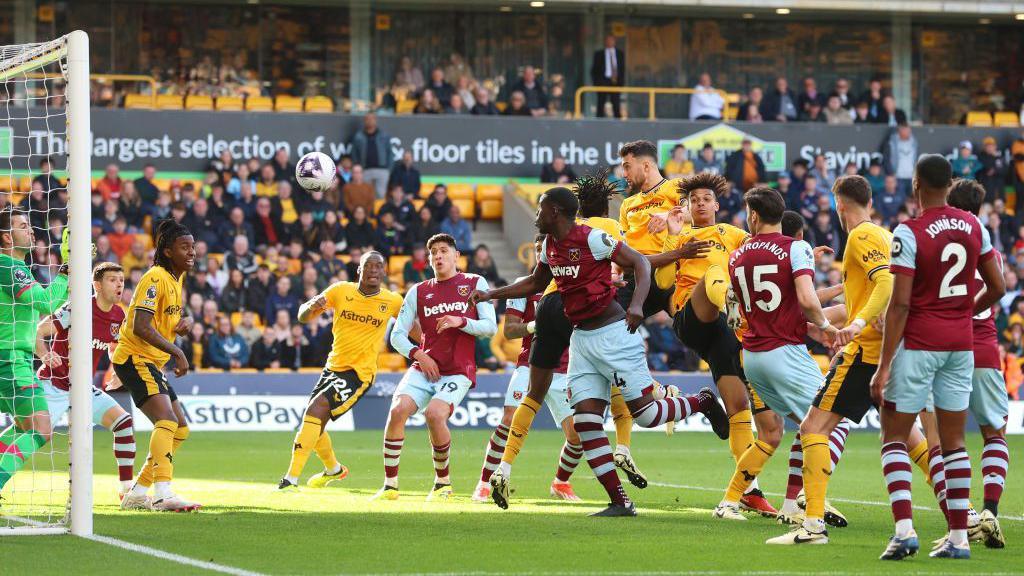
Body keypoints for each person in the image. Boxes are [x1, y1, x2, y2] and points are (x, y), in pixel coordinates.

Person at [470, 187, 728, 516]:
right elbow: (536, 283)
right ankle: (620, 502)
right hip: (581, 340)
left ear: (555, 213)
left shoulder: (592, 238)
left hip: (614, 336)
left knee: (646, 415)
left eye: (539, 209)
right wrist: (491, 294)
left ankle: (702, 401)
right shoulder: (550, 245)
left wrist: (636, 304)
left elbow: (640, 264)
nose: (535, 216)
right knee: (587, 423)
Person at [871, 155, 1004, 560]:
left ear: (916, 185)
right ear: (950, 184)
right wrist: (965, 310)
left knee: (893, 435)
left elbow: (900, 305)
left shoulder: (908, 232)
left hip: (921, 344)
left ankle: (905, 532)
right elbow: (997, 286)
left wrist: (884, 365)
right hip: (961, 345)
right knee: (954, 442)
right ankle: (960, 539)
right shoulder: (975, 226)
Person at [715, 186, 839, 545]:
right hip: (786, 352)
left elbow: (733, 310)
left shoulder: (737, 255)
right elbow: (805, 299)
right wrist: (828, 328)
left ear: (753, 216)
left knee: (777, 432)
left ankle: (733, 500)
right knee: (822, 426)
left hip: (753, 358)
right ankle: (811, 518)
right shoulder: (795, 247)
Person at [661, 173, 777, 517]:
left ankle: (748, 490)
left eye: (705, 199)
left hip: (722, 333)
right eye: (693, 199)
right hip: (691, 315)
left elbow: (766, 249)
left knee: (739, 405)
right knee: (714, 273)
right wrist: (673, 239)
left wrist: (799, 253)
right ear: (687, 205)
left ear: (716, 204)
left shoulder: (733, 235)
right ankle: (727, 299)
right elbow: (665, 281)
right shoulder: (680, 235)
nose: (699, 203)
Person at [374, 234, 497, 501]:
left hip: (458, 370)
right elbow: (397, 334)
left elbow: (490, 327)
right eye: (433, 253)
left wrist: (460, 321)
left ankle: (443, 484)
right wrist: (418, 354)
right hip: (425, 366)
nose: (438, 256)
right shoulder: (418, 290)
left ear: (456, 256)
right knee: (397, 411)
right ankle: (389, 486)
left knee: (434, 414)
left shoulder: (475, 283)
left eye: (443, 251)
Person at [277, 251, 403, 491]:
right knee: (315, 423)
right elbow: (303, 317)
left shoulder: (393, 301)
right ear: (359, 271)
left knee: (314, 411)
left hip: (359, 374)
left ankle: (290, 480)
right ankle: (333, 469)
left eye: (379, 266)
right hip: (332, 367)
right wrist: (310, 306)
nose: (374, 270)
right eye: (369, 266)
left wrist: (426, 350)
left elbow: (414, 327)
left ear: (384, 272)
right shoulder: (340, 291)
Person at [472, 238, 583, 503]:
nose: (541, 253)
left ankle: (561, 483)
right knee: (509, 419)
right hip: (530, 365)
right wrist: (537, 326)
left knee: (577, 436)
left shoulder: (574, 282)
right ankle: (485, 483)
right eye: (537, 249)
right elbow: (509, 330)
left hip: (567, 368)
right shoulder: (525, 284)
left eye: (546, 248)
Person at [113, 219, 199, 512]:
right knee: (167, 421)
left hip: (151, 361)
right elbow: (141, 326)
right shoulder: (154, 278)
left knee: (180, 429)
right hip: (135, 357)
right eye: (184, 247)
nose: (192, 253)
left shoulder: (177, 279)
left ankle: (137, 492)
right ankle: (163, 493)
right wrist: (178, 351)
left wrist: (182, 323)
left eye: (193, 247)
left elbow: (164, 320)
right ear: (166, 250)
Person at [946, 178, 1008, 548]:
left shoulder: (935, 241)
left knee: (947, 440)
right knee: (993, 433)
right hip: (982, 346)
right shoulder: (989, 249)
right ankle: (990, 511)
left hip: (944, 347)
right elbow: (996, 288)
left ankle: (961, 516)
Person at [0, 209, 68, 497]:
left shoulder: (16, 267)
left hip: (15, 357)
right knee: (42, 428)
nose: (32, 232)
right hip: (11, 358)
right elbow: (43, 302)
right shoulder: (8, 265)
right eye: (23, 226)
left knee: (23, 425)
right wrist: (67, 273)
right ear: (6, 237)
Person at [348, 113, 394, 198]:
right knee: (365, 195)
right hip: (365, 170)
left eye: (371, 119)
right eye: (367, 119)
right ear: (364, 121)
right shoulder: (358, 136)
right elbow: (354, 154)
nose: (369, 121)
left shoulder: (383, 135)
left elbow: (390, 153)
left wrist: (388, 170)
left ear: (375, 120)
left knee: (380, 195)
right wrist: (358, 169)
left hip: (382, 170)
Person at [590, 34, 623, 118]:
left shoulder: (620, 54)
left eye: (611, 40)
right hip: (603, 81)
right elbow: (594, 70)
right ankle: (599, 122)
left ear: (614, 42)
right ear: (605, 42)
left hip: (615, 82)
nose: (609, 42)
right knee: (601, 103)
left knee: (616, 103)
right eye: (607, 40)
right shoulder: (599, 54)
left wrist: (621, 81)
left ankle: (618, 123)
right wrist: (596, 82)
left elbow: (622, 68)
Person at [884, 123, 918, 198]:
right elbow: (886, 158)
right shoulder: (892, 142)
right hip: (898, 177)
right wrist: (891, 173)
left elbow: (915, 158)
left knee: (912, 200)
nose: (907, 133)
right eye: (905, 130)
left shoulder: (913, 142)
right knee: (900, 200)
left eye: (909, 131)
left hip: (911, 177)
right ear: (899, 130)